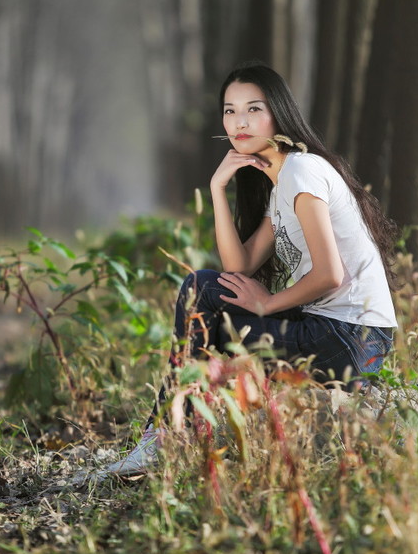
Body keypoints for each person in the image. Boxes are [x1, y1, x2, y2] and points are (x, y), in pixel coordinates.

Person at [103, 61, 399, 476]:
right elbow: (237, 268)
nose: (239, 122)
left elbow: (330, 274)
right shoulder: (283, 186)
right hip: (339, 333)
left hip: (348, 338)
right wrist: (216, 190)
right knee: (202, 288)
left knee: (202, 305)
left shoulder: (301, 170)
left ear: (279, 114)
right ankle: (173, 433)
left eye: (253, 109)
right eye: (229, 111)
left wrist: (268, 304)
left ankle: (169, 435)